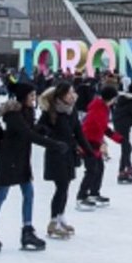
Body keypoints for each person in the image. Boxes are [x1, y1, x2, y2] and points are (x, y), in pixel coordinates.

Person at [0, 80, 57, 252]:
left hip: (22, 159)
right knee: (1, 194)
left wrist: (43, 129)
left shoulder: (28, 112)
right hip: (8, 159)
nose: (34, 98)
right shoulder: (13, 115)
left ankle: (27, 230)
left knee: (28, 193)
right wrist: (53, 144)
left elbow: (30, 131)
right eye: (31, 96)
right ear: (24, 97)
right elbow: (27, 134)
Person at [34, 81, 90, 240]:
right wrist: (45, 131)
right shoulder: (50, 112)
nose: (73, 95)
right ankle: (53, 221)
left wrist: (90, 152)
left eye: (73, 92)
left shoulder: (72, 112)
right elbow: (38, 130)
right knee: (61, 187)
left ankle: (60, 216)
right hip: (56, 155)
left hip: (69, 155)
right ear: (61, 96)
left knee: (65, 187)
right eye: (69, 93)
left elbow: (79, 134)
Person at [77, 86, 123, 210]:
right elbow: (88, 130)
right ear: (111, 98)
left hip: (95, 142)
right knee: (91, 170)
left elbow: (104, 128)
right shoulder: (97, 110)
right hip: (88, 143)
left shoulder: (104, 108)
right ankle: (81, 196)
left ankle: (93, 193)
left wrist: (118, 139)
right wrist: (97, 145)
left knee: (99, 168)